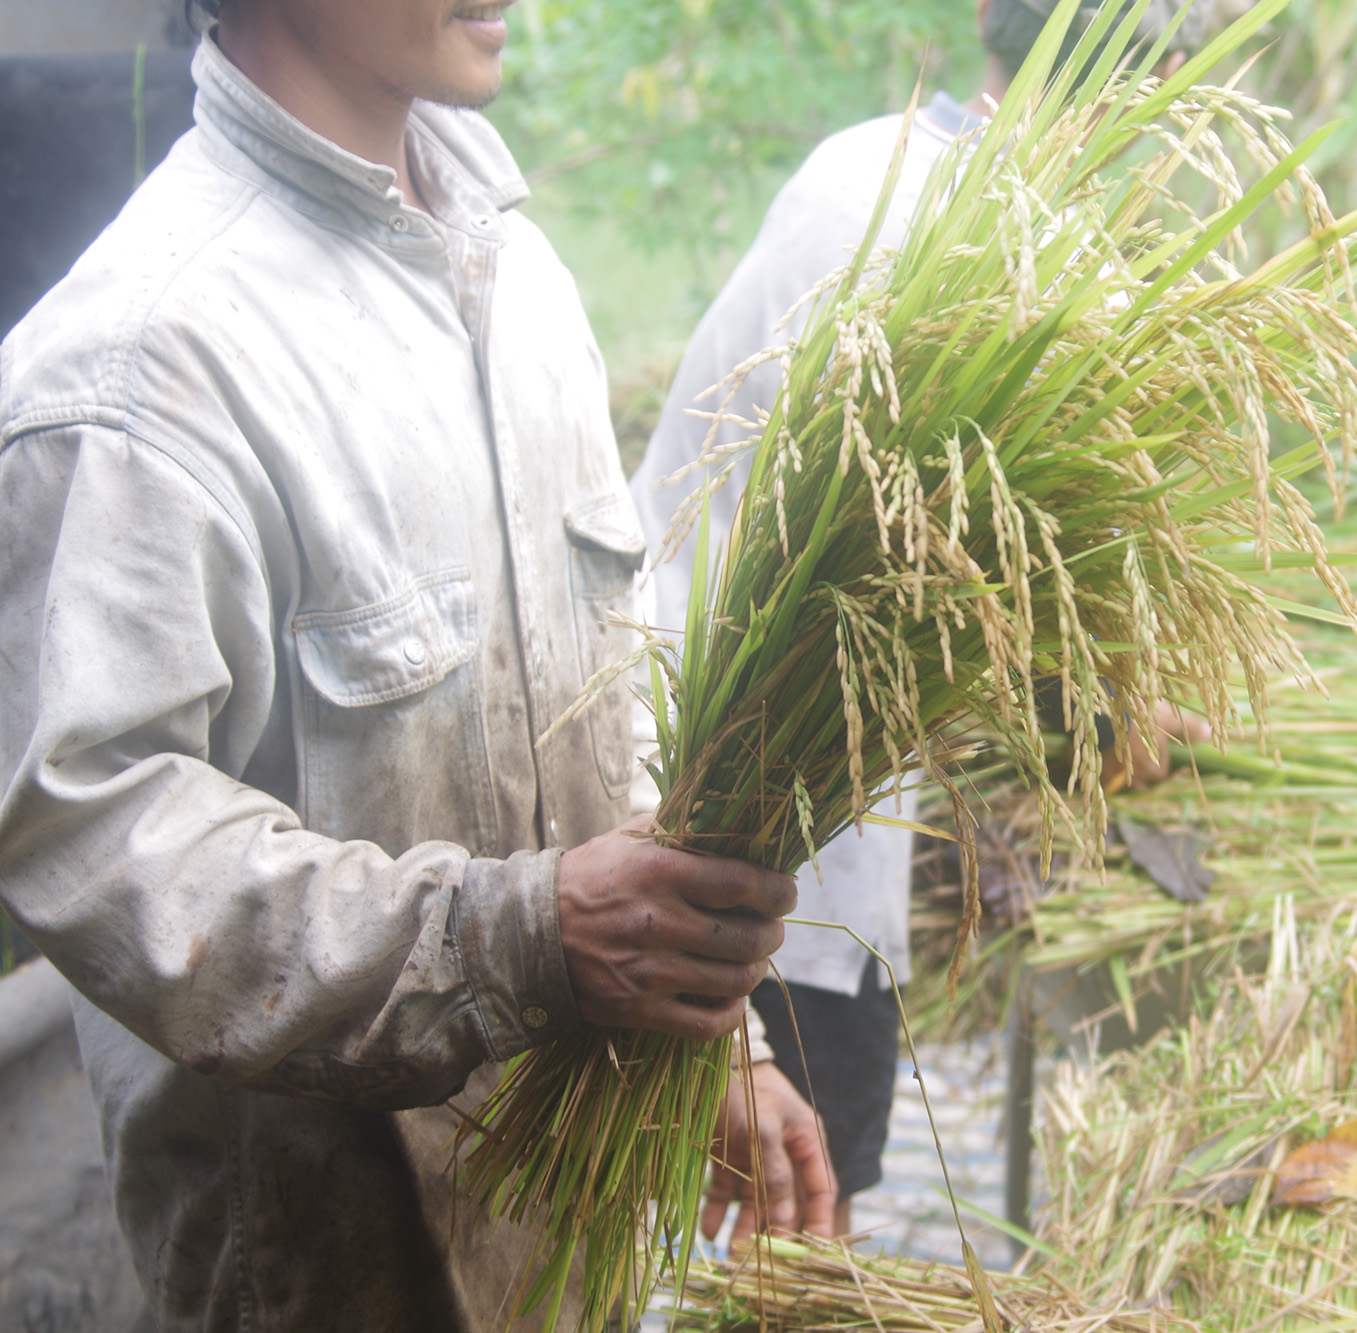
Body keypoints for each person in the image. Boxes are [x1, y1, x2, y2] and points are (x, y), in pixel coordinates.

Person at [0, 0, 832, 1328]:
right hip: (337, 1280)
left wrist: (706, 1047)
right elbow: (103, 844)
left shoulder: (517, 274)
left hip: (570, 1257)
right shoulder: (142, 369)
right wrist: (515, 935)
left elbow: (597, 716)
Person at [629, 0, 1200, 1239]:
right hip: (735, 778)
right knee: (792, 1217)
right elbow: (878, 550)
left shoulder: (946, 197)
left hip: (807, 798)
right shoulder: (903, 215)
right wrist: (1082, 691)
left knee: (799, 1188)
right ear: (1138, 87)